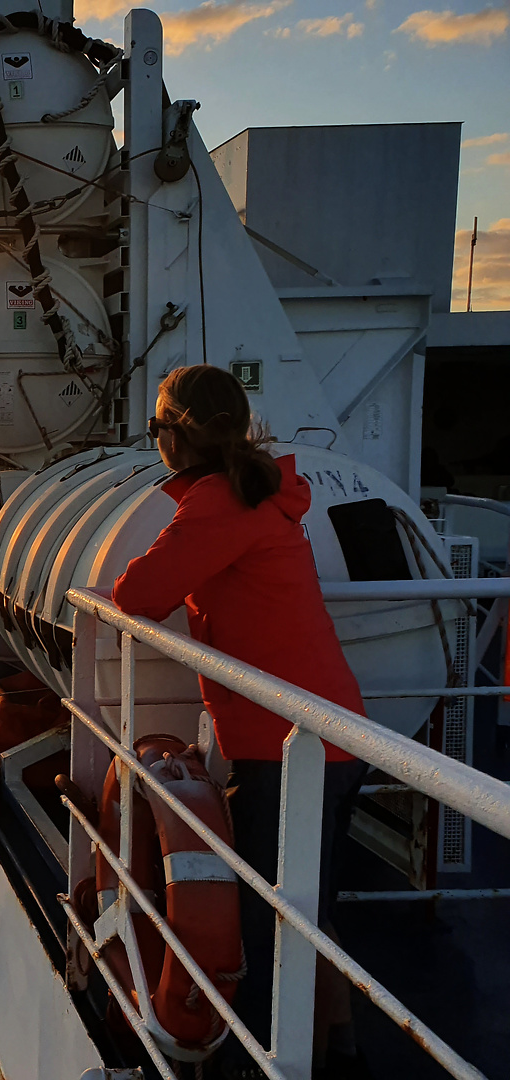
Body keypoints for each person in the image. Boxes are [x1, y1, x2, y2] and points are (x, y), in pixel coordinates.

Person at [111, 365, 369, 1079]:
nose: (156, 439)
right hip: (325, 733)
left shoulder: (220, 503)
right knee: (306, 909)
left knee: (274, 923)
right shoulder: (253, 494)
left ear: (179, 435)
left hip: (292, 747)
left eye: (158, 427)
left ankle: (284, 1064)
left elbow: (141, 593)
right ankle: (341, 1047)